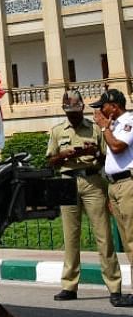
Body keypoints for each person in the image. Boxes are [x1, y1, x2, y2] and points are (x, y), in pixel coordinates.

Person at [46, 89, 128, 304]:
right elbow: (50, 162)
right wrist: (64, 155)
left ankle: (114, 287)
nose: (71, 115)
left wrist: (93, 153)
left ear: (82, 108)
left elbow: (105, 158)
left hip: (92, 181)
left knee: (104, 236)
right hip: (67, 182)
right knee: (70, 237)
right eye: (68, 111)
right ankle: (69, 285)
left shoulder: (95, 129)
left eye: (74, 110)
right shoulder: (57, 131)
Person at [93, 87, 133, 306]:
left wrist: (103, 127)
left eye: (103, 106)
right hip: (116, 186)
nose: (99, 110)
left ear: (114, 106)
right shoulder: (114, 125)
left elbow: (117, 147)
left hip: (128, 184)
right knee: (128, 241)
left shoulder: (128, 121)